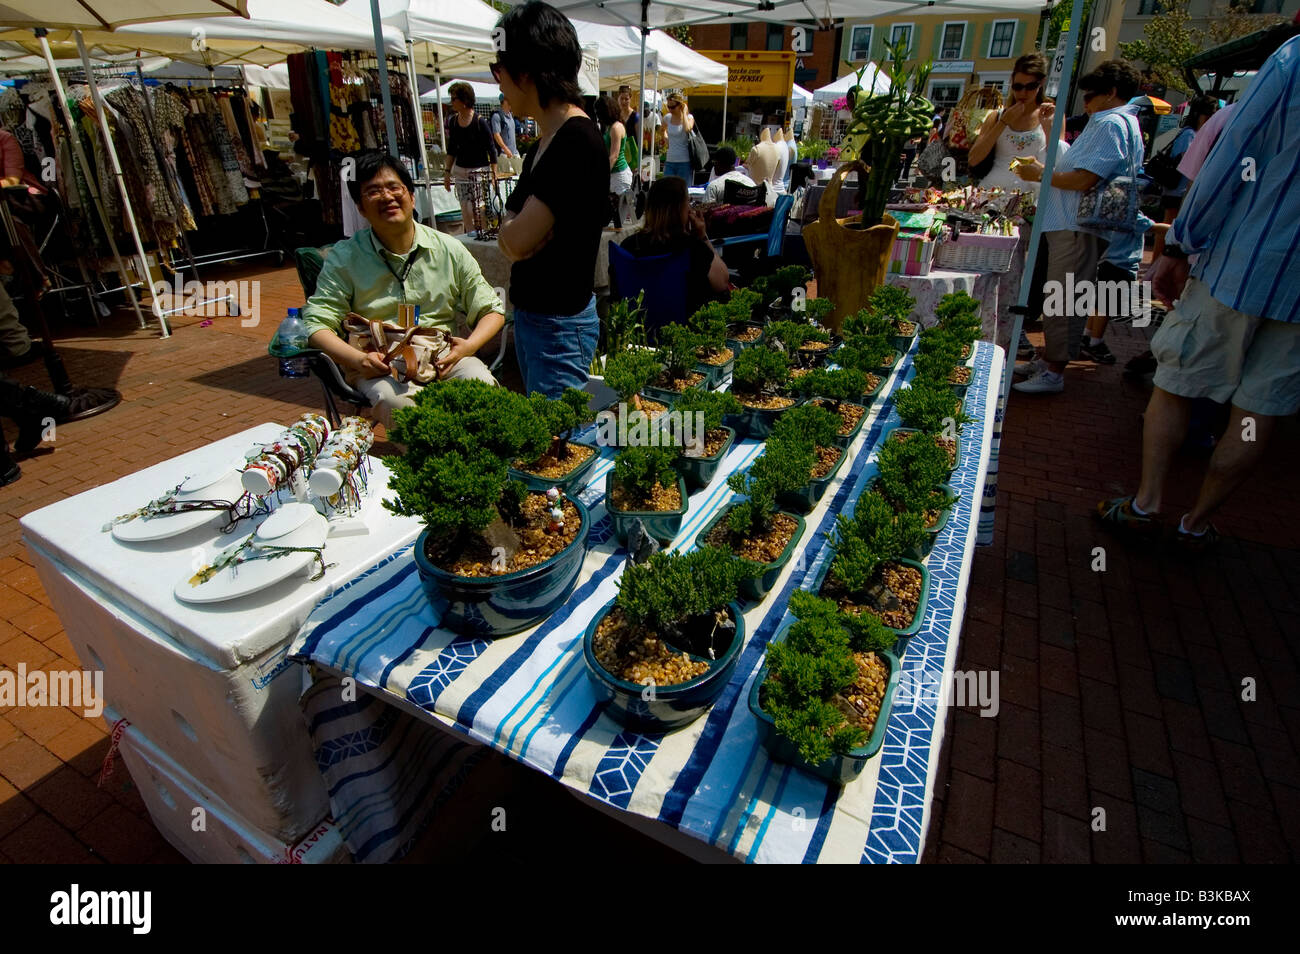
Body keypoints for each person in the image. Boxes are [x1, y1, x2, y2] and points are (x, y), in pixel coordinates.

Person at [1097, 34, 1300, 552]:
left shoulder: (1292, 58)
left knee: (1177, 382)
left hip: (1243, 261)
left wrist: (1181, 244)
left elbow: (1234, 153)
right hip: (1290, 294)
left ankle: (1147, 504)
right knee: (1259, 410)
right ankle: (1197, 522)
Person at [303, 154, 504, 432]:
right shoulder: (345, 258)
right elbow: (315, 324)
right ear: (361, 207)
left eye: (394, 187)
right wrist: (358, 360)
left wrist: (468, 347)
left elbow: (492, 309)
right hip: (380, 363)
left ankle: (478, 463)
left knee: (482, 386)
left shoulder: (448, 248)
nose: (386, 196)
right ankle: (429, 470)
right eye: (373, 191)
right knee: (398, 405)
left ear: (410, 195)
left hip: (441, 356)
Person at [494, 1, 607, 398]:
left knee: (560, 446)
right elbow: (511, 237)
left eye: (499, 70)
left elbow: (516, 239)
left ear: (525, 73)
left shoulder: (576, 141)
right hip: (539, 319)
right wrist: (514, 233)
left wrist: (514, 233)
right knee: (554, 444)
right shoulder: (544, 143)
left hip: (558, 323)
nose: (499, 83)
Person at [1012, 59, 1145, 395]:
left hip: (1077, 225)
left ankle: (1054, 370)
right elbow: (1076, 165)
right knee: (1061, 297)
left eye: (1091, 93)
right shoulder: (1116, 122)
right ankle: (1049, 361)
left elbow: (1085, 178)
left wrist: (1039, 174)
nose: (1085, 101)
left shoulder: (1111, 123)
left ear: (1111, 93)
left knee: (1064, 299)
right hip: (1075, 225)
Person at [620, 176, 729, 323]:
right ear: (682, 208)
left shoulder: (628, 245)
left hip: (639, 325)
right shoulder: (693, 248)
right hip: (683, 327)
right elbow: (722, 282)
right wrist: (702, 236)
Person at [968, 53, 1056, 194]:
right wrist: (1003, 122)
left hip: (1029, 198)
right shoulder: (997, 116)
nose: (1023, 92)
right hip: (991, 192)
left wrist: (1048, 127)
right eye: (1018, 86)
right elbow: (973, 159)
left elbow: (1057, 161)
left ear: (1042, 83)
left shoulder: (1052, 116)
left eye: (1031, 86)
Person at [1150, 95, 1217, 258]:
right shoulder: (1189, 134)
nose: (1209, 119)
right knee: (1168, 227)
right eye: (1207, 115)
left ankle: (1157, 262)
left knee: (1169, 226)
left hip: (1178, 189)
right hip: (1176, 189)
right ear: (1198, 114)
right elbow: (1186, 161)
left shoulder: (1193, 133)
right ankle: (1155, 262)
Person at [442, 82, 498, 237]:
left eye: (454, 99)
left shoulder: (480, 122)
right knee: (464, 208)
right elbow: (452, 149)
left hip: (479, 170)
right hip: (461, 170)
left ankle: (484, 234)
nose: (452, 102)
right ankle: (470, 237)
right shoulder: (453, 121)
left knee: (477, 208)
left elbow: (491, 149)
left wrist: (494, 174)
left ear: (464, 100)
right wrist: (447, 172)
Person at [593, 94, 633, 226]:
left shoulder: (616, 127)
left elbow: (614, 156)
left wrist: (602, 174)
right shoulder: (610, 127)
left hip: (619, 175)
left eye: (599, 113)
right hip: (613, 174)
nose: (598, 116)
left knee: (617, 214)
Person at [662, 92, 696, 182]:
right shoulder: (667, 118)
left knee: (683, 190)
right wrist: (665, 138)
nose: (670, 110)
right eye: (668, 107)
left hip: (684, 161)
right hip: (670, 160)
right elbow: (661, 129)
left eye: (672, 107)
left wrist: (684, 113)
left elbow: (687, 129)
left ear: (680, 105)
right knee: (667, 188)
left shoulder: (689, 117)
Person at [616, 85, 640, 169]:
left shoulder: (636, 116)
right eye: (621, 98)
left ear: (630, 99)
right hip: (618, 152)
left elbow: (639, 138)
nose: (623, 101)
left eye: (626, 99)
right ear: (618, 98)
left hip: (632, 154)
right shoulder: (616, 115)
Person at [490, 94, 517, 160]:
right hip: (504, 154)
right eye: (509, 99)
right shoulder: (496, 116)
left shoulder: (511, 116)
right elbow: (496, 135)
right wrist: (506, 149)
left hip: (514, 153)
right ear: (503, 101)